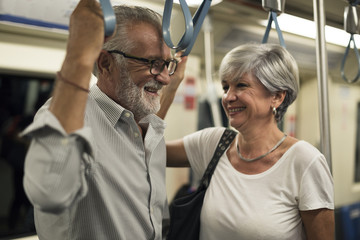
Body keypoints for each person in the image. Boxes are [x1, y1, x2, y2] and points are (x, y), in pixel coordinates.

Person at [21, 0, 187, 239]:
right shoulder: (73, 117)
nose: (165, 78)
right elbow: (49, 194)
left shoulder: (149, 127)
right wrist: (79, 55)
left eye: (167, 65)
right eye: (153, 63)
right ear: (106, 63)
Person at [165, 43, 334, 240]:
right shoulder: (213, 144)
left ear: (277, 97)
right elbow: (143, 148)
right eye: (226, 87)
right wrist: (171, 86)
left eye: (241, 85)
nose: (228, 97)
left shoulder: (305, 161)